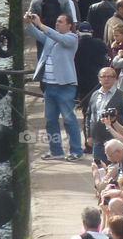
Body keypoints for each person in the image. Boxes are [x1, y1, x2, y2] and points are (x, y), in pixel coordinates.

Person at [26, 11, 82, 160]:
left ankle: (76, 150)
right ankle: (56, 151)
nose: (57, 23)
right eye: (56, 21)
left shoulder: (72, 38)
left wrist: (40, 24)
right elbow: (37, 34)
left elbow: (58, 37)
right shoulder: (51, 37)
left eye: (60, 22)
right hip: (49, 86)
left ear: (69, 25)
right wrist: (28, 23)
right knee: (50, 120)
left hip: (65, 86)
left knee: (69, 119)